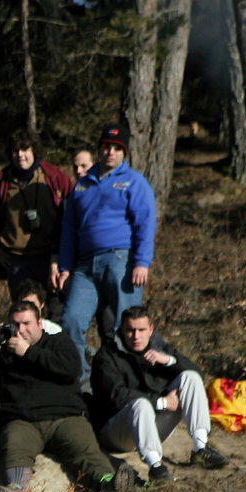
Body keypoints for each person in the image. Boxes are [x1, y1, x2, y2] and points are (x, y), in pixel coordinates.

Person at [0, 300, 136, 492]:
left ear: (40, 323)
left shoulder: (58, 342)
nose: (21, 330)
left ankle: (108, 486)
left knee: (85, 452)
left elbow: (70, 369)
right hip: (23, 420)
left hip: (65, 417)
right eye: (16, 324)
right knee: (16, 447)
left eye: (27, 324)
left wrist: (28, 352)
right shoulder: (4, 351)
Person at [55, 123, 157, 381]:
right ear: (99, 150)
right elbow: (69, 231)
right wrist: (65, 267)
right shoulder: (81, 187)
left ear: (124, 152)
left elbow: (146, 222)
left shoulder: (134, 181)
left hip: (121, 260)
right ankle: (82, 381)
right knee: (71, 321)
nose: (110, 152)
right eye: (106, 147)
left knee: (126, 327)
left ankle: (129, 380)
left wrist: (142, 262)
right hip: (85, 265)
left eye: (116, 148)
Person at [92, 307, 229, 482]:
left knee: (190, 377)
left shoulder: (159, 346)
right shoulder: (106, 356)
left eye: (141, 330)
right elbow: (116, 396)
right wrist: (162, 403)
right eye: (130, 330)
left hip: (151, 427)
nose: (136, 336)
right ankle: (155, 465)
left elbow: (198, 375)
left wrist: (169, 361)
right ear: (121, 330)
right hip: (117, 433)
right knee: (140, 404)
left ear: (151, 330)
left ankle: (200, 448)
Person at [0, 129, 72, 296]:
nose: (20, 155)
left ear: (34, 150)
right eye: (15, 151)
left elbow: (74, 212)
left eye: (25, 149)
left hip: (51, 259)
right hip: (17, 261)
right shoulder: (2, 183)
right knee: (24, 313)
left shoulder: (54, 177)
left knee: (55, 311)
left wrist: (63, 256)